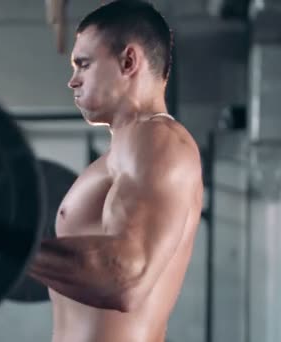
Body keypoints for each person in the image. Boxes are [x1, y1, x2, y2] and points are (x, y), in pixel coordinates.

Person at [27, 1, 204, 341]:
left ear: (128, 61)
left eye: (84, 64)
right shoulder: (119, 154)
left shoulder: (158, 141)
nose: (72, 82)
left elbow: (128, 277)